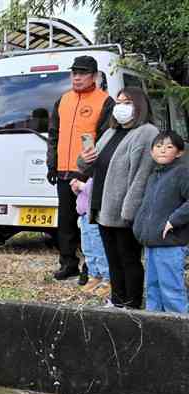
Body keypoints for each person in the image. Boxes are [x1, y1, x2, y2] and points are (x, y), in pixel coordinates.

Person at [77, 87, 158, 309]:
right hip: (103, 206)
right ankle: (117, 299)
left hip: (124, 210)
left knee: (128, 259)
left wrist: (129, 212)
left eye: (127, 102)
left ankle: (131, 303)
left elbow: (141, 176)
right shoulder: (111, 131)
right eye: (119, 102)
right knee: (113, 259)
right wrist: (84, 158)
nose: (120, 107)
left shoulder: (146, 132)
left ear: (139, 106)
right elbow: (90, 164)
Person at [47, 56, 115, 280]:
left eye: (83, 73)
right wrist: (52, 164)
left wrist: (91, 171)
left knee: (89, 223)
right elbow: (54, 135)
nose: (77, 77)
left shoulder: (105, 101)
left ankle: (91, 266)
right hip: (64, 171)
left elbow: (106, 140)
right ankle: (68, 263)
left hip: (88, 173)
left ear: (94, 76)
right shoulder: (63, 100)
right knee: (65, 222)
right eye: (74, 72)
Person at [133, 131, 189, 313]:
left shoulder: (182, 173)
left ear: (179, 152)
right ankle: (154, 331)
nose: (163, 150)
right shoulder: (154, 176)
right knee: (153, 289)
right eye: (158, 146)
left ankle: (180, 333)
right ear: (151, 152)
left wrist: (173, 221)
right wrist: (139, 227)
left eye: (169, 146)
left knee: (172, 290)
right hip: (151, 242)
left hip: (170, 243)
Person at [72, 177, 110, 297]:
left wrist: (82, 186)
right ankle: (94, 276)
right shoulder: (89, 177)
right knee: (87, 249)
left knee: (98, 249)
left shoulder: (97, 177)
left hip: (93, 216)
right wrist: (77, 189)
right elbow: (84, 195)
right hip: (83, 216)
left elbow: (97, 192)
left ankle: (107, 279)